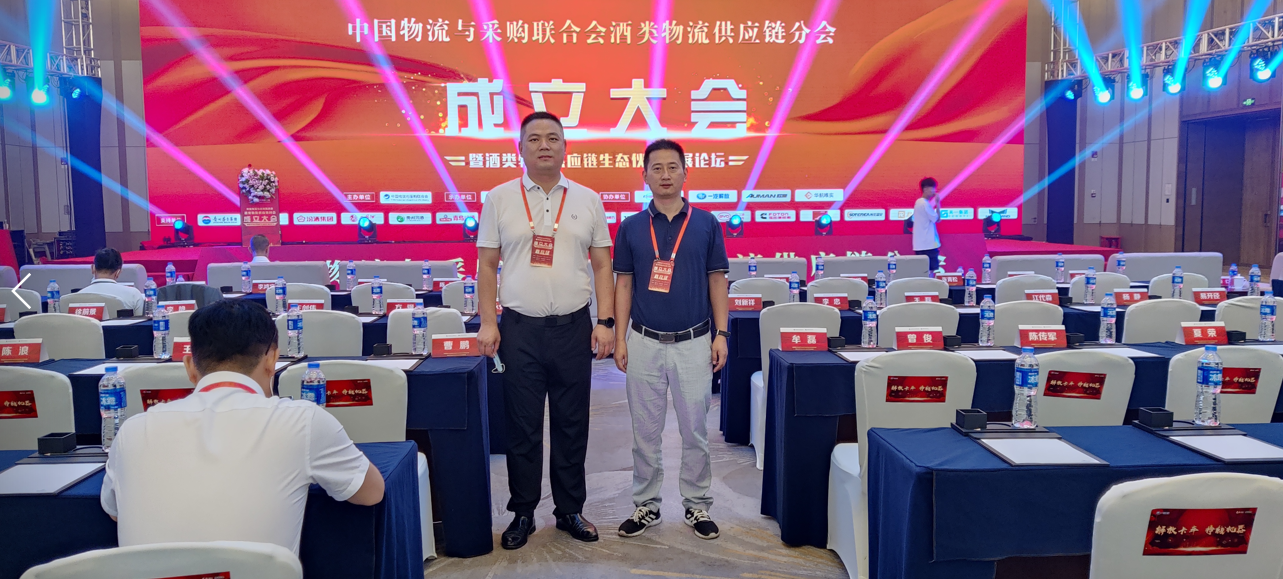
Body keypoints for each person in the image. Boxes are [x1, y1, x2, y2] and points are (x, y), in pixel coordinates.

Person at [100, 299, 384, 553]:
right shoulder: (303, 421)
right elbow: (371, 492)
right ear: (272, 359)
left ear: (189, 366)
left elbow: (115, 512)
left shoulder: (132, 430)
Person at [476, 111, 615, 550]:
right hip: (519, 330)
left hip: (574, 327)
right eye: (534, 138)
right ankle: (522, 512)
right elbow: (486, 264)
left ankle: (569, 509)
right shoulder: (499, 198)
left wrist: (605, 321)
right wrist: (488, 321)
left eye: (553, 138)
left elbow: (603, 264)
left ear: (565, 148)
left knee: (573, 423)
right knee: (523, 425)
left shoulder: (588, 199)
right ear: (520, 148)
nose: (544, 145)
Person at [612, 139, 729, 540]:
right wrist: (621, 338)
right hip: (643, 341)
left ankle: (697, 505)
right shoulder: (630, 227)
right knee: (645, 432)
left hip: (694, 342)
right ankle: (647, 504)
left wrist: (721, 334)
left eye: (672, 167)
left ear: (684, 173)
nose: (665, 175)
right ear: (644, 175)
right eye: (657, 168)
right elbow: (623, 285)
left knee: (695, 430)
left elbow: (717, 281)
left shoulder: (706, 223)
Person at [76, 247, 146, 315]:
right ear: (118, 272)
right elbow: (140, 321)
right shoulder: (133, 295)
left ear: (93, 268)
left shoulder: (77, 296)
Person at [913, 177, 941, 275]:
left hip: (921, 244)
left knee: (923, 271)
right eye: (932, 188)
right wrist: (938, 203)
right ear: (925, 189)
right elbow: (937, 219)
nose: (934, 191)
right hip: (928, 244)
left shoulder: (919, 202)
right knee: (929, 270)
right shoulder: (924, 203)